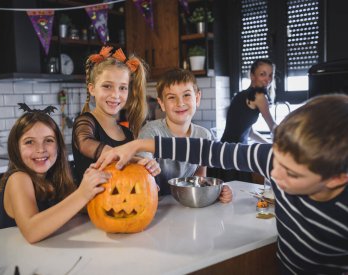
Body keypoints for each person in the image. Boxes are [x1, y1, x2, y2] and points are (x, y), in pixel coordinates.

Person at [94, 94, 348, 274]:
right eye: (276, 162)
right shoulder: (272, 160)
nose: (275, 176)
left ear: (337, 178)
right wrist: (137, 145)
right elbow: (208, 151)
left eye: (292, 175)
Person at [0, 105, 111, 243]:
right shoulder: (18, 179)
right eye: (29, 142)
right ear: (16, 147)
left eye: (48, 140)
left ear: (58, 146)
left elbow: (78, 211)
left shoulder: (55, 179)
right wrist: (82, 194)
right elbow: (31, 231)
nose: (40, 149)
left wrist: (95, 191)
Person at [72, 46, 160, 184]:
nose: (115, 95)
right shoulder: (85, 122)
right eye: (107, 86)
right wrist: (135, 159)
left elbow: (131, 176)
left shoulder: (127, 133)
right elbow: (85, 144)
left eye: (122, 88)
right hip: (91, 205)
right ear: (92, 89)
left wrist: (147, 169)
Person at [138, 68, 216, 195]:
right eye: (171, 97)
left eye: (186, 95)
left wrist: (217, 192)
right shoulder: (151, 132)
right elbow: (142, 169)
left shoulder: (204, 135)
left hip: (187, 203)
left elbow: (200, 175)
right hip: (157, 204)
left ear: (197, 98)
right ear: (162, 103)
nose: (180, 103)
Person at [210, 58, 277, 182]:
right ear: (252, 76)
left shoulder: (241, 95)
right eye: (262, 74)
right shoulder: (259, 96)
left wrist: (269, 144)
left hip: (224, 151)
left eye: (270, 75)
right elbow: (272, 126)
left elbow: (248, 131)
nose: (267, 79)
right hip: (236, 154)